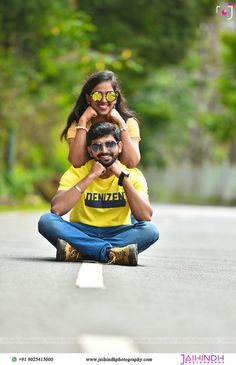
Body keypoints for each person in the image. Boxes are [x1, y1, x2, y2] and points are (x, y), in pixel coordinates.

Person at [39, 123, 159, 266]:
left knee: (150, 231)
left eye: (110, 144)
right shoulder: (77, 172)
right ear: (90, 151)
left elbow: (145, 216)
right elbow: (57, 209)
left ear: (119, 147)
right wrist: (90, 176)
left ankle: (80, 252)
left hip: (118, 232)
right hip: (81, 230)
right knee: (46, 221)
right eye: (97, 146)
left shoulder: (133, 175)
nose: (104, 150)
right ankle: (111, 253)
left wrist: (123, 178)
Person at [61, 70, 141, 168]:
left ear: (115, 97)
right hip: (89, 181)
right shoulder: (78, 125)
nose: (103, 100)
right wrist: (83, 121)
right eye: (97, 95)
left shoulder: (129, 123)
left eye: (109, 95)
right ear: (88, 98)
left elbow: (131, 162)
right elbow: (77, 161)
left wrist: (121, 124)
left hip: (119, 182)